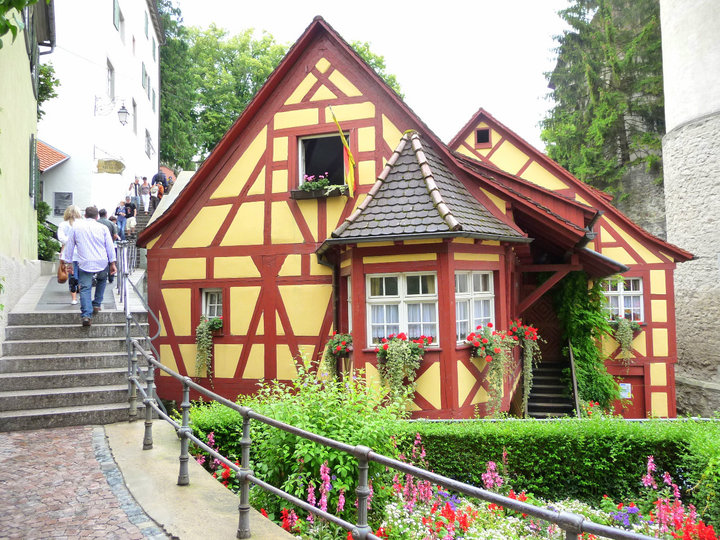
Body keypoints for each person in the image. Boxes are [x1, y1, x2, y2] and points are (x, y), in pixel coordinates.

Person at [62, 206, 117, 327]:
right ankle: (97, 304)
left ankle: (86, 315)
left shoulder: (76, 227)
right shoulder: (103, 228)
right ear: (97, 217)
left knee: (85, 288)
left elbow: (70, 246)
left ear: (85, 215)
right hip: (101, 261)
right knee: (102, 280)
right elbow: (110, 246)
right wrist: (113, 263)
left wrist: (69, 263)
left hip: (84, 261)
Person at [57, 205, 83, 305]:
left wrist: (70, 242)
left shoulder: (63, 224)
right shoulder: (82, 224)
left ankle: (74, 297)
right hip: (81, 253)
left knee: (72, 274)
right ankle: (82, 294)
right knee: (82, 274)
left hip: (69, 253)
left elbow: (61, 238)